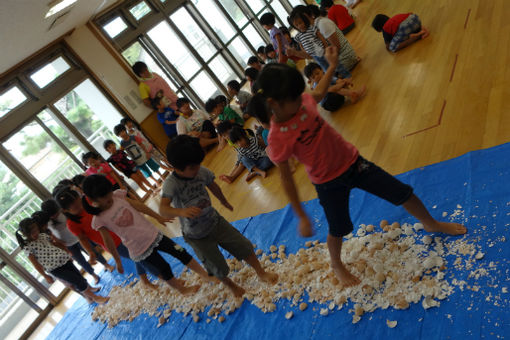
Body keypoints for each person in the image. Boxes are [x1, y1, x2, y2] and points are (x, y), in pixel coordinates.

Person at [247, 46, 466, 287]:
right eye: (295, 99)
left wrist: (331, 65)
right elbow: (286, 179)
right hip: (327, 183)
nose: (302, 100)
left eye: (301, 96)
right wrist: (300, 215)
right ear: (273, 104)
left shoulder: (304, 102)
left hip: (354, 163)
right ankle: (336, 263)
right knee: (338, 229)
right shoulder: (277, 137)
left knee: (403, 192)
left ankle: (431, 223)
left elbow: (318, 92)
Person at [159, 135, 278, 297]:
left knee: (243, 246)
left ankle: (261, 272)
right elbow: (163, 209)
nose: (197, 170)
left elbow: (212, 185)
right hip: (196, 235)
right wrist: (181, 212)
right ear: (177, 168)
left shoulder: (200, 171)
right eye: (192, 168)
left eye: (198, 165)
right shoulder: (171, 184)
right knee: (216, 267)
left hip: (215, 221)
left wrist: (223, 201)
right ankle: (232, 287)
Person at [82, 174, 216, 295]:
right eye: (104, 198)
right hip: (139, 249)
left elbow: (139, 206)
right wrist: (117, 260)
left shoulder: (117, 196)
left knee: (180, 251)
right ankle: (182, 290)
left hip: (154, 235)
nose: (109, 198)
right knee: (164, 269)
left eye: (109, 193)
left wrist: (158, 217)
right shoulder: (99, 219)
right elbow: (108, 241)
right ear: (93, 200)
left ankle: (204, 274)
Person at [55, 187, 159, 288]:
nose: (78, 205)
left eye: (77, 201)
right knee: (141, 258)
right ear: (65, 210)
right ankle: (163, 276)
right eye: (73, 206)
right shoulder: (72, 224)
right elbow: (82, 239)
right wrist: (90, 253)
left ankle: (145, 279)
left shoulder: (87, 201)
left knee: (140, 257)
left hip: (123, 232)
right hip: (113, 244)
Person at [15, 218, 109, 304]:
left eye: (35, 230)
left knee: (79, 276)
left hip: (64, 260)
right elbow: (35, 264)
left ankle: (90, 293)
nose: (35, 234)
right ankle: (95, 298)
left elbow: (54, 245)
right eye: (31, 233)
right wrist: (45, 275)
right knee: (76, 280)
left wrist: (66, 253)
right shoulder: (27, 247)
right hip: (55, 268)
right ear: (25, 235)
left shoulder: (43, 235)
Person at [39, 200, 113, 284]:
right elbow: (51, 234)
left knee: (92, 252)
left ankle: (106, 264)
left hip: (78, 238)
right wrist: (59, 242)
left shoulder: (64, 212)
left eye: (55, 213)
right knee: (81, 261)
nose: (54, 216)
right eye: (52, 215)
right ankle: (94, 275)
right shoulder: (48, 222)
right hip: (67, 244)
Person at [288, 6, 350, 79]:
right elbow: (301, 45)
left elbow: (320, 37)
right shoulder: (298, 36)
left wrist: (326, 46)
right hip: (315, 56)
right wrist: (304, 51)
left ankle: (346, 75)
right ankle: (335, 80)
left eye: (300, 23)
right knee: (325, 69)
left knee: (336, 64)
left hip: (323, 51)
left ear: (304, 19)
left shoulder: (312, 28)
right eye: (297, 25)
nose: (300, 25)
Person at [307, 5, 359, 76]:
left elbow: (337, 47)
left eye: (301, 21)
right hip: (345, 57)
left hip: (345, 59)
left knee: (325, 78)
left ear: (312, 15)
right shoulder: (317, 24)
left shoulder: (322, 23)